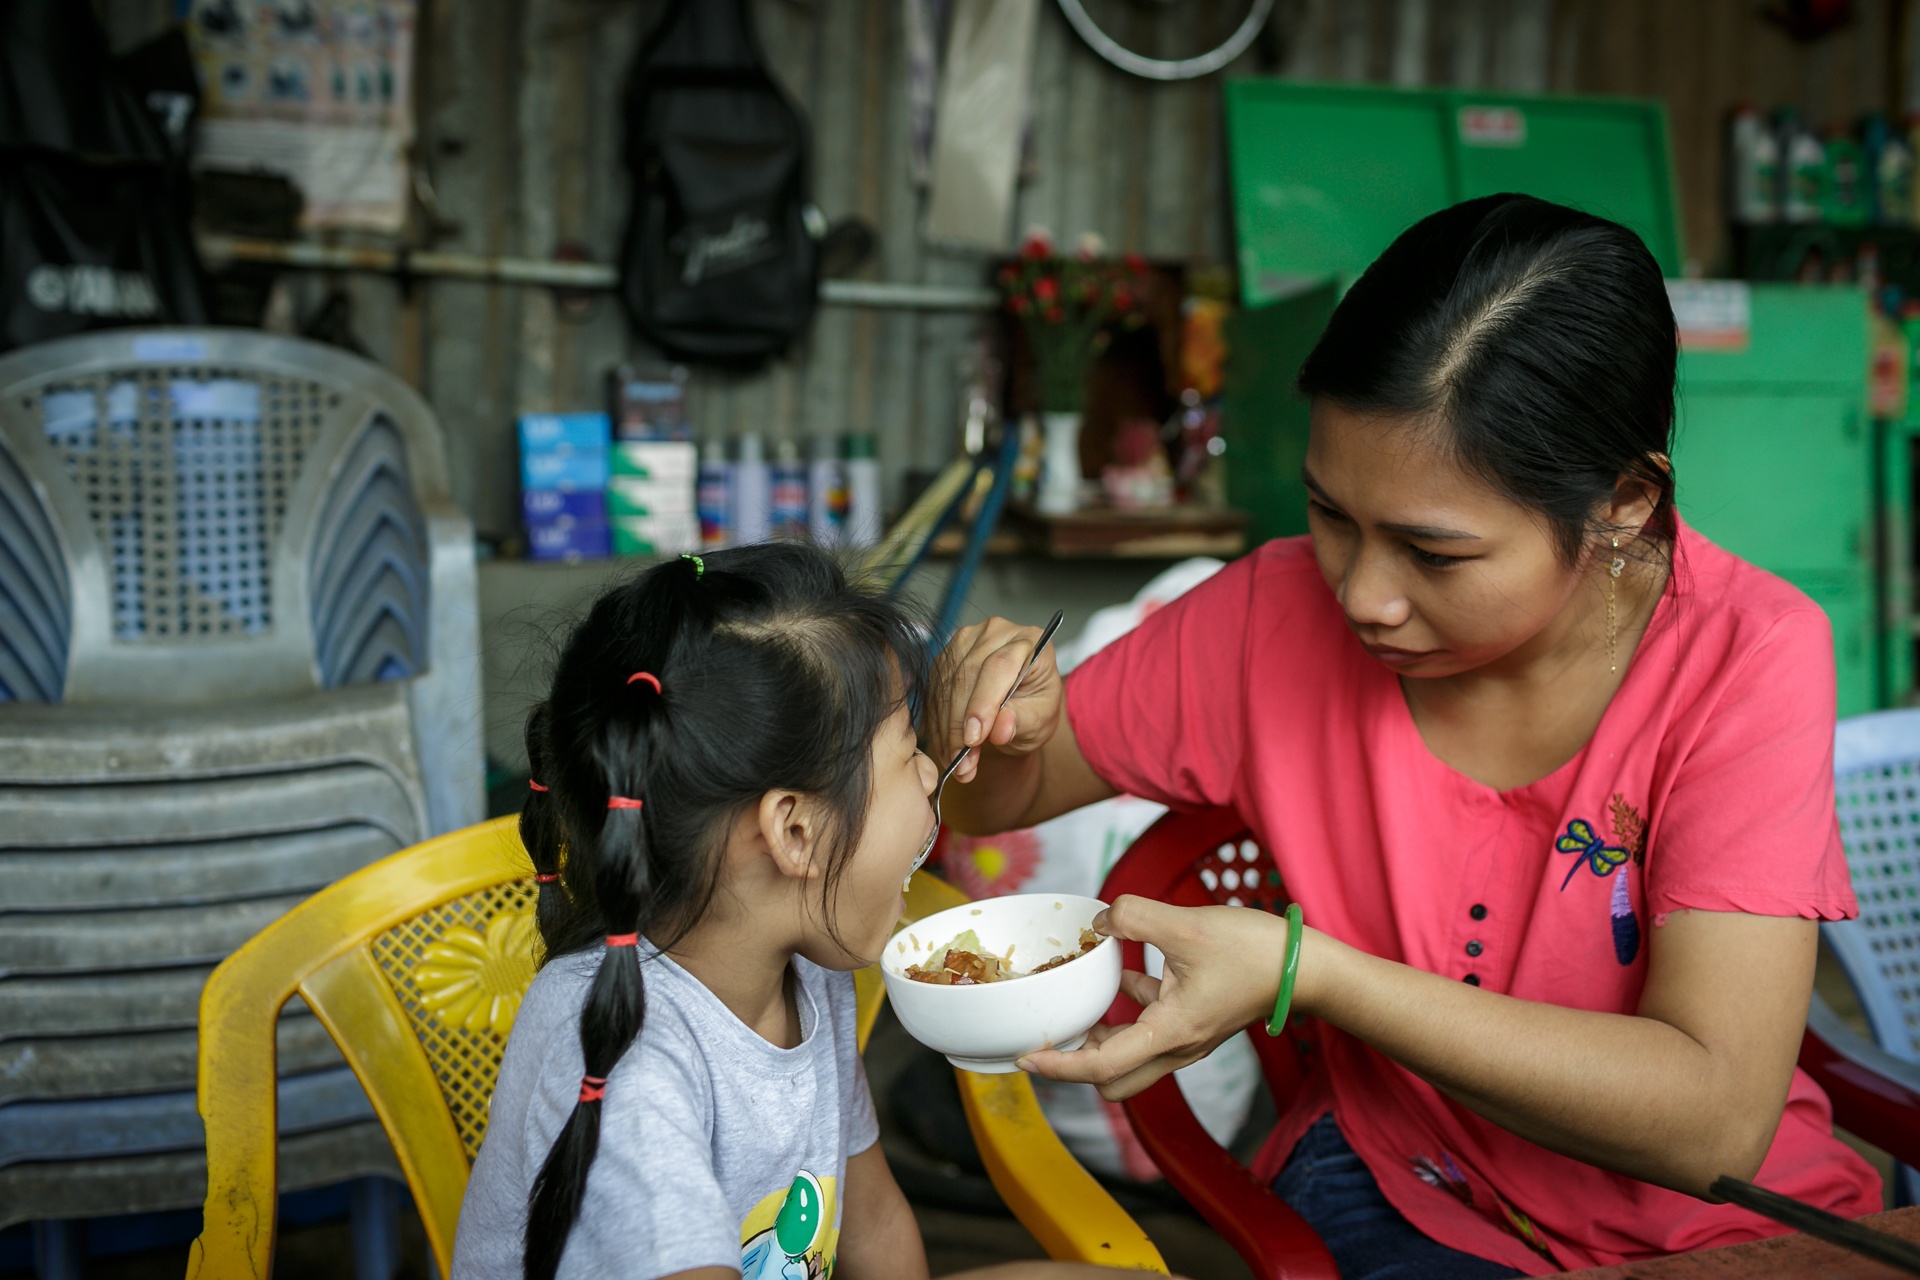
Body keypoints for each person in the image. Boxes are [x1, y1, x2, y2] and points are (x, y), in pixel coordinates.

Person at [927, 194, 1883, 1278]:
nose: (1364, 595)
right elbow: (982, 798)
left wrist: (1316, 975)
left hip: (1722, 1226)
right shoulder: (1268, 616)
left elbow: (1709, 1124)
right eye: (1331, 513)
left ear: (1621, 502)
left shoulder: (1745, 656)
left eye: (1434, 553)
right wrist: (997, 720)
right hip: (1414, 1196)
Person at [452, 544, 1141, 1280]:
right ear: (796, 832)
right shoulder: (630, 1059)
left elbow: (872, 1221)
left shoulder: (806, 975)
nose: (932, 773)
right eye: (908, 748)